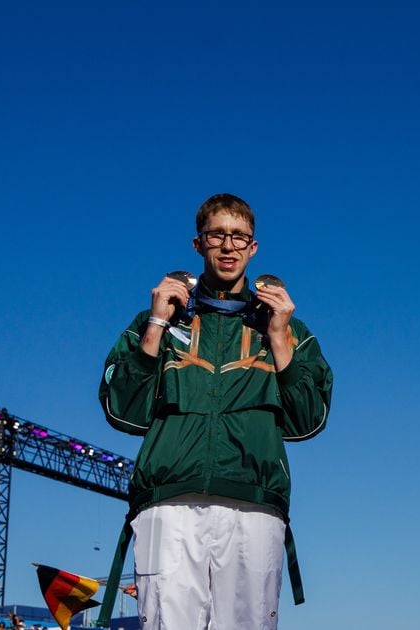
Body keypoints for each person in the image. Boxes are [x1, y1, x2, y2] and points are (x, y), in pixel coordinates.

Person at [95, 193, 332, 629]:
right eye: (217, 235)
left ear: (253, 247)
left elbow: (308, 420)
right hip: (168, 503)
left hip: (254, 504)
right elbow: (123, 413)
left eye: (239, 237)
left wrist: (279, 339)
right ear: (198, 244)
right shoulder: (159, 318)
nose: (228, 246)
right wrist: (155, 326)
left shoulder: (289, 326)